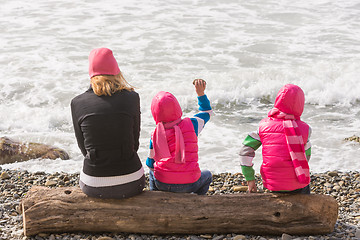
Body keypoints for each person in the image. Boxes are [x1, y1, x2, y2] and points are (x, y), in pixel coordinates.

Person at [71, 47, 145, 199]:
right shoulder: (132, 98)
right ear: (116, 70)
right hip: (131, 180)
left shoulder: (77, 103)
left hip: (94, 184)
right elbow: (135, 144)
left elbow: (84, 149)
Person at [239, 84, 312, 194]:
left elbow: (244, 152)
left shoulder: (263, 126)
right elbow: (306, 157)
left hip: (271, 183)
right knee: (305, 188)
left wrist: (250, 179)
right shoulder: (306, 129)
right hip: (297, 184)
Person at [146, 79, 213, 195]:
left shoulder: (155, 134)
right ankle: (198, 200)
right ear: (177, 107)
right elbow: (207, 112)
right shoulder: (192, 124)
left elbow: (151, 164)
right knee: (207, 176)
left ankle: (155, 197)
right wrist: (200, 94)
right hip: (190, 184)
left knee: (152, 171)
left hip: (162, 184)